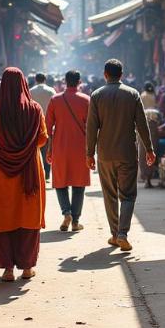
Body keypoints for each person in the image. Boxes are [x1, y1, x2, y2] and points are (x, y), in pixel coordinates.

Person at [0, 68, 47, 282]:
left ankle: (7, 270)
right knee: (27, 216)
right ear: (24, 84)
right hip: (29, 171)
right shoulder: (34, 109)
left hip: (0, 171)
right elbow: (43, 138)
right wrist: (26, 147)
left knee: (3, 216)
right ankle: (27, 268)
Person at [86, 58, 155, 252]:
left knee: (110, 195)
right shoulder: (132, 94)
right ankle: (123, 233)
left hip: (105, 154)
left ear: (105, 74)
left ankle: (115, 234)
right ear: (121, 75)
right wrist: (149, 149)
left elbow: (91, 127)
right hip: (127, 153)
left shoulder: (97, 95)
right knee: (128, 195)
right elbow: (142, 124)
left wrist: (89, 153)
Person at [46, 70, 91, 232]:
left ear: (65, 81)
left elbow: (48, 127)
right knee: (79, 185)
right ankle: (75, 221)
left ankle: (66, 213)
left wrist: (50, 149)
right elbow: (92, 126)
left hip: (60, 147)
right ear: (79, 82)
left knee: (60, 181)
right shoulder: (86, 100)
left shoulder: (55, 100)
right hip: (80, 147)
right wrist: (91, 150)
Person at [29, 73, 55, 180]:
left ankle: (38, 172)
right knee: (48, 148)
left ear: (35, 80)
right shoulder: (51, 91)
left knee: (36, 148)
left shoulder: (30, 91)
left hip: (34, 124)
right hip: (48, 122)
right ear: (45, 79)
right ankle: (47, 173)